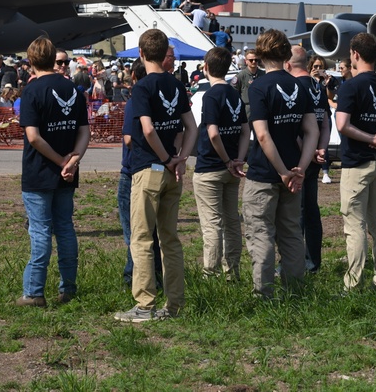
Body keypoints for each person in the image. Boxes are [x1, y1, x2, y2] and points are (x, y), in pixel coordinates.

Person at [115, 29, 197, 322]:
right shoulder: (176, 86)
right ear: (165, 55)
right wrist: (180, 159)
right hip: (172, 172)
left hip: (148, 169)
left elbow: (147, 129)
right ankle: (174, 304)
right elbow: (192, 128)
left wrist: (164, 159)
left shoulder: (142, 87)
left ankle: (145, 304)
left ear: (141, 53)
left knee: (141, 238)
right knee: (170, 239)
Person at [16, 36, 90, 307]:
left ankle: (34, 292)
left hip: (40, 171)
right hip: (67, 173)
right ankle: (68, 288)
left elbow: (33, 137)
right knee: (66, 229)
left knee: (40, 231)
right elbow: (85, 131)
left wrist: (61, 162)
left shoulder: (32, 91)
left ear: (32, 60)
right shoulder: (73, 90)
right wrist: (73, 161)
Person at [244, 30, 317, 297]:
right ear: (287, 55)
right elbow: (312, 131)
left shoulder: (259, 86)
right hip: (293, 172)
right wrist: (301, 167)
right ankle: (295, 290)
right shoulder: (300, 85)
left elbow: (261, 134)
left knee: (261, 232)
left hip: (265, 172)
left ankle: (263, 293)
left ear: (260, 55)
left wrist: (283, 172)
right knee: (291, 234)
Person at [335, 32, 376, 291]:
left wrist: (372, 139)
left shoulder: (350, 85)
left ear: (355, 55)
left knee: (355, 225)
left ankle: (354, 284)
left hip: (357, 164)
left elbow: (342, 124)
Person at [193, 46, 250, 279]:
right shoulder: (235, 94)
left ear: (206, 68)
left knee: (212, 224)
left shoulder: (211, 95)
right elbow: (246, 131)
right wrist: (239, 159)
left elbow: (213, 133)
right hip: (232, 169)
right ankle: (232, 271)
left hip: (210, 167)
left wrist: (227, 160)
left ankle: (211, 273)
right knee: (231, 221)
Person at [116, 60, 163, 289]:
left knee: (135, 232)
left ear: (133, 75)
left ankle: (132, 278)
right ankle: (157, 276)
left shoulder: (135, 101)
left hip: (133, 171)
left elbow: (128, 138)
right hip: (160, 168)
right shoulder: (158, 98)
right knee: (153, 232)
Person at [286, 46, 330, 273]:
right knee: (311, 210)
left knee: (295, 213)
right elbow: (324, 123)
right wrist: (321, 149)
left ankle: (297, 264)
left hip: (298, 158)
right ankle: (313, 262)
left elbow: (293, 126)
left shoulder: (293, 86)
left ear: (288, 63)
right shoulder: (318, 86)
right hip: (314, 158)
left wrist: (309, 151)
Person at [309, 56, 335, 185]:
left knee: (323, 145)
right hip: (310, 115)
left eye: (320, 67)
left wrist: (327, 83)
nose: (318, 69)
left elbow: (330, 97)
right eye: (315, 67)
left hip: (324, 115)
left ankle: (325, 172)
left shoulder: (327, 80)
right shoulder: (307, 80)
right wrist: (312, 77)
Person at [231, 48, 265, 118]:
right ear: (246, 61)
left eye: (256, 60)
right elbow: (233, 93)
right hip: (247, 109)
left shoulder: (263, 74)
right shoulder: (241, 76)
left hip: (262, 107)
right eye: (251, 60)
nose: (253, 62)